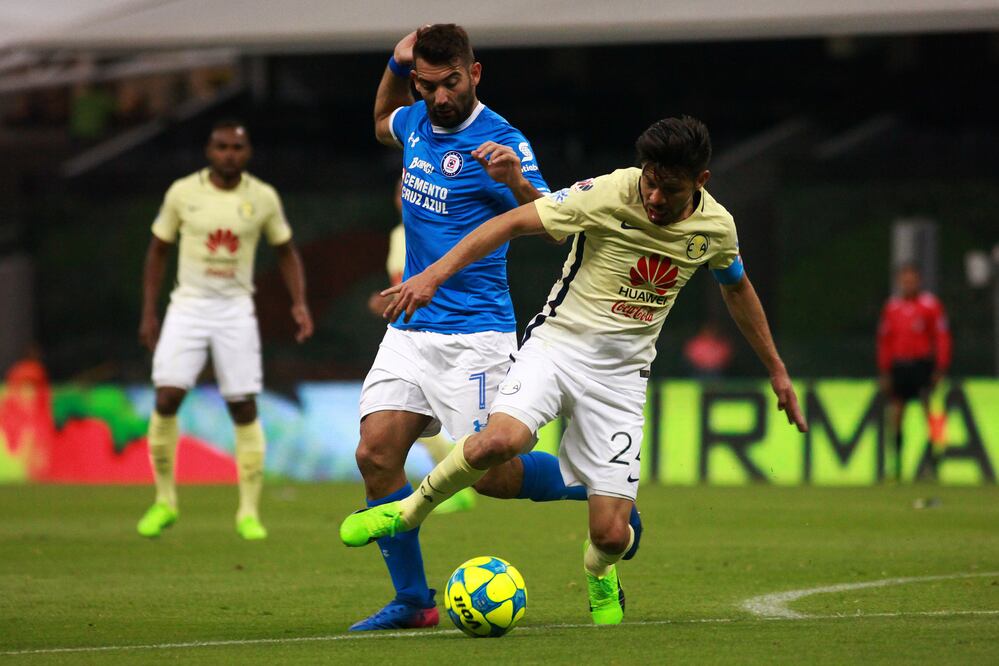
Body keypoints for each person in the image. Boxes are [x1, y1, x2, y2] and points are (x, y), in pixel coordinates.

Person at [340, 116, 809, 625]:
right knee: (496, 444)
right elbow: (508, 223)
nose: (653, 197)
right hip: (555, 348)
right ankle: (407, 512)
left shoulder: (716, 228)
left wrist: (777, 371)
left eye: (668, 189)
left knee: (611, 536)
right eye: (649, 181)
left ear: (701, 182)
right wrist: (432, 275)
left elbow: (736, 287)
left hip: (622, 379)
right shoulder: (607, 192)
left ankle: (600, 571)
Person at [350, 24, 641, 632]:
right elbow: (382, 120)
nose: (439, 97)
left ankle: (597, 490)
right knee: (376, 454)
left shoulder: (503, 140)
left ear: (474, 74)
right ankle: (413, 600)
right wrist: (391, 63)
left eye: (450, 83)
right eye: (426, 86)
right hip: (410, 329)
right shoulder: (415, 123)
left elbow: (555, 222)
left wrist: (513, 180)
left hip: (475, 336)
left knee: (495, 478)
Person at [136, 119, 313, 540]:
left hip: (235, 309)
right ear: (209, 151)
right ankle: (164, 501)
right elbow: (158, 251)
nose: (229, 154)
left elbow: (286, 251)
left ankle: (248, 512)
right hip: (189, 305)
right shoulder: (182, 192)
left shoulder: (263, 197)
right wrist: (149, 311)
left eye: (237, 147)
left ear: (246, 152)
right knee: (167, 396)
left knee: (243, 405)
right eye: (221, 147)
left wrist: (299, 302)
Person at [366, 177, 477, 515]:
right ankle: (455, 488)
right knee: (412, 422)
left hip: (434, 333)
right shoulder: (400, 234)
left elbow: (409, 284)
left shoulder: (418, 232)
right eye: (398, 190)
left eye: (407, 188)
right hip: (415, 331)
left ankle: (459, 487)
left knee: (470, 438)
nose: (403, 196)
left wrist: (385, 301)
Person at [877, 263, 951, 476]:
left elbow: (942, 337)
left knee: (932, 413)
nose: (908, 284)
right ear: (900, 281)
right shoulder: (892, 307)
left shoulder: (930, 305)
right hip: (900, 367)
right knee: (897, 414)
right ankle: (897, 464)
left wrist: (940, 367)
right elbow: (884, 341)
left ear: (919, 281)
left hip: (923, 365)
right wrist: (885, 371)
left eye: (912, 280)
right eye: (904, 280)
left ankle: (936, 460)